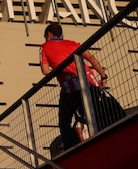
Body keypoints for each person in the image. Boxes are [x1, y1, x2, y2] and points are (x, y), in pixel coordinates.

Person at [39, 23, 108, 151]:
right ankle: (108, 137)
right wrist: (103, 76)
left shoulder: (44, 47)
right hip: (90, 84)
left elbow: (45, 70)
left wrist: (59, 69)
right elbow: (91, 58)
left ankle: (73, 149)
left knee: (64, 122)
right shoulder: (74, 44)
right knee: (98, 112)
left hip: (69, 89)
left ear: (48, 35)